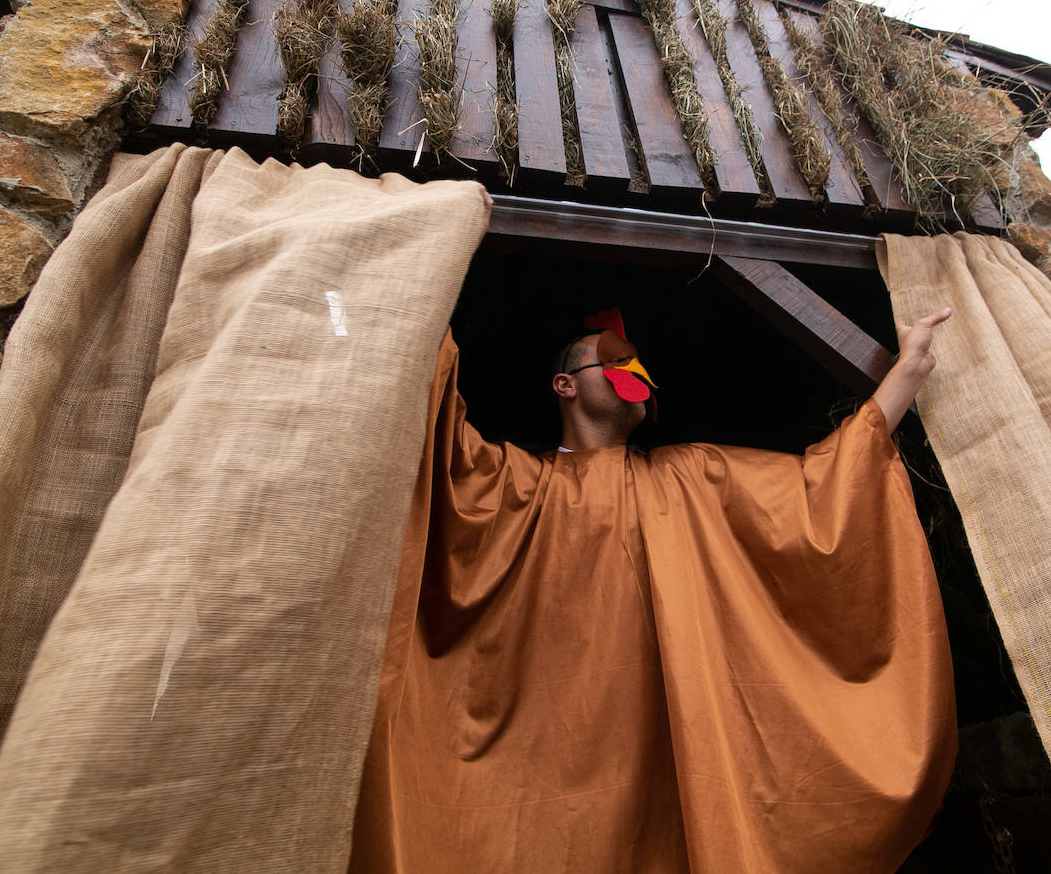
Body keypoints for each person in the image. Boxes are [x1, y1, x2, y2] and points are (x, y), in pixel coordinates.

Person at [350, 307, 958, 873]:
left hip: (671, 773)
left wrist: (906, 371)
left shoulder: (693, 476)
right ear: (565, 385)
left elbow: (823, 489)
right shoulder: (514, 485)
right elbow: (435, 438)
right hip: (539, 778)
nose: (632, 372)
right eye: (613, 362)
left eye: (636, 364)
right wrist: (426, 269)